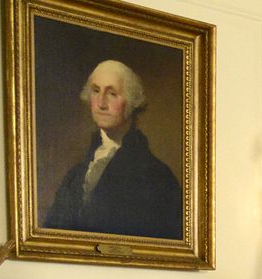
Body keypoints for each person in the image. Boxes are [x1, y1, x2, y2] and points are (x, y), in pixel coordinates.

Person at [43, 60, 181, 239]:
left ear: (132, 102)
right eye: (95, 91)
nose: (101, 103)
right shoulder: (74, 176)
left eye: (112, 94)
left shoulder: (158, 177)